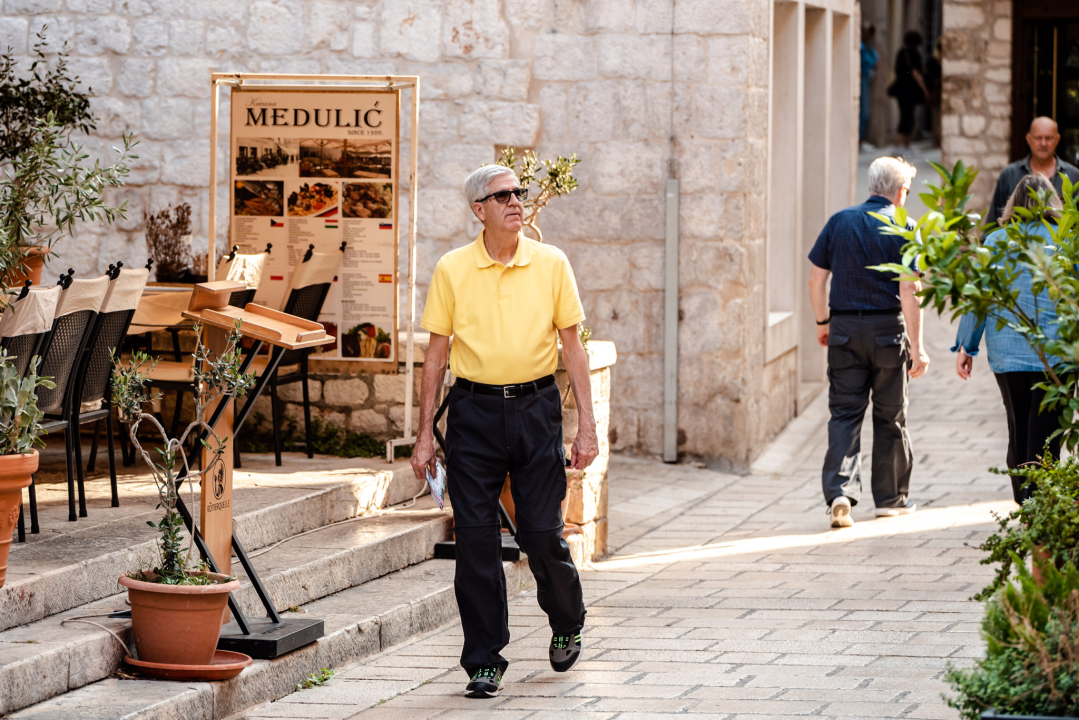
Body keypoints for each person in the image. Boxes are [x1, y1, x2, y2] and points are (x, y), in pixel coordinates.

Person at [411, 164, 598, 699]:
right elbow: (437, 358)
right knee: (474, 541)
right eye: (503, 196)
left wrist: (587, 425)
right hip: (473, 414)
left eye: (519, 192)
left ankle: (567, 617)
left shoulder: (551, 263)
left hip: (537, 410)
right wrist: (425, 435)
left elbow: (573, 347)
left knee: (541, 533)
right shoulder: (452, 269)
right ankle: (484, 661)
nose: (516, 201)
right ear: (480, 210)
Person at [808, 157, 930, 529]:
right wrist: (918, 345)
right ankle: (891, 499)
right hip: (887, 334)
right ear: (899, 191)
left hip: (844, 329)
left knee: (844, 413)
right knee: (891, 415)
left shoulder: (839, 222)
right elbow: (909, 289)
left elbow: (816, 280)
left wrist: (823, 322)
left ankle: (840, 493)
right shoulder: (905, 227)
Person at [954, 175, 1065, 504]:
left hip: (1009, 352)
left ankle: (1026, 500)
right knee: (1047, 432)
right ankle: (1041, 502)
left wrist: (966, 346)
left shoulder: (995, 241)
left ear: (1013, 202)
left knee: (1018, 424)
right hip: (1058, 353)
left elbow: (980, 297)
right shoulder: (1066, 240)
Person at [986, 117, 1079, 227]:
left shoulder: (1073, 175)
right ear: (1028, 138)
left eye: (1048, 138)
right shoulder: (1009, 174)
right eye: (1038, 138)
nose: (1043, 143)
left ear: (1057, 139)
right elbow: (993, 222)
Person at [892, 31, 929, 150]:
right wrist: (924, 89)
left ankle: (905, 145)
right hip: (910, 91)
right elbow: (915, 73)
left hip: (900, 89)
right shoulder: (915, 54)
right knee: (908, 117)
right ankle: (899, 145)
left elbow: (896, 70)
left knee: (906, 116)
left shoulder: (901, 53)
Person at [860, 25, 880, 149]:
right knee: (863, 112)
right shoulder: (862, 48)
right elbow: (869, 61)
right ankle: (860, 141)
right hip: (861, 81)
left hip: (865, 81)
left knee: (865, 112)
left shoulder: (867, 49)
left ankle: (862, 140)